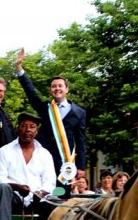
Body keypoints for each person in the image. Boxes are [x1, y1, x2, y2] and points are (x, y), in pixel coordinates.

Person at [15, 48, 87, 187]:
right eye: (54, 86)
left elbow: (81, 140)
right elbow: (31, 92)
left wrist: (81, 166)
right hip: (43, 157)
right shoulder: (45, 108)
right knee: (42, 192)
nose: (57, 88)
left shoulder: (79, 112)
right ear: (51, 90)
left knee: (62, 194)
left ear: (67, 89)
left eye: (60, 86)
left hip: (65, 161)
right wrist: (19, 68)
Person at [0, 113, 56, 220]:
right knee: (3, 187)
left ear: (36, 131)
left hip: (36, 200)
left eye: (32, 127)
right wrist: (17, 187)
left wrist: (41, 192)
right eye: (24, 126)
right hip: (14, 199)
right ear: (18, 128)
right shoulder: (5, 151)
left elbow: (49, 181)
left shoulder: (44, 154)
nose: (27, 130)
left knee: (55, 202)